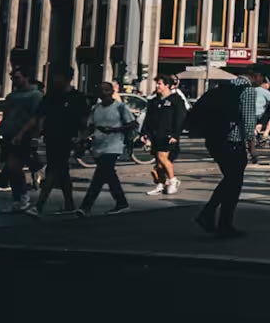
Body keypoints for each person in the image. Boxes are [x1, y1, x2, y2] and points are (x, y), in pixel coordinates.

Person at [196, 75, 256, 237]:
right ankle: (220, 221)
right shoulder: (248, 91)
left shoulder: (221, 89)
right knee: (234, 182)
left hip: (214, 140)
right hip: (233, 142)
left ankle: (212, 216)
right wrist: (252, 147)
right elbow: (248, 121)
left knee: (230, 179)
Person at [24, 67, 88, 217]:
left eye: (58, 77)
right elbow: (40, 116)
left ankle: (39, 206)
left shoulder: (77, 97)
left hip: (67, 138)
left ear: (67, 78)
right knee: (63, 171)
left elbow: (84, 120)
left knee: (52, 169)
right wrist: (35, 136)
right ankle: (69, 204)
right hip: (50, 137)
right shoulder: (51, 96)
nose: (54, 80)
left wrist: (82, 138)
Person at [76, 80, 136, 217]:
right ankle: (121, 202)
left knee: (100, 175)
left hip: (114, 145)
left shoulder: (120, 107)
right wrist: (82, 139)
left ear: (112, 92)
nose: (103, 93)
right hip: (99, 145)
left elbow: (132, 124)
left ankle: (86, 206)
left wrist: (115, 129)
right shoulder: (96, 108)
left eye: (106, 90)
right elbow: (91, 126)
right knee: (108, 175)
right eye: (101, 90)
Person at [0, 69, 45, 211]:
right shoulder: (11, 96)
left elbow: (38, 117)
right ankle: (20, 196)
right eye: (12, 78)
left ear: (26, 77)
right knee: (12, 168)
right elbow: (6, 116)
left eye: (17, 78)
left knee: (13, 166)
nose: (14, 81)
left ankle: (22, 197)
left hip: (24, 136)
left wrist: (35, 136)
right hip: (9, 134)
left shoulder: (35, 95)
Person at [142, 75, 188, 195]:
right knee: (158, 163)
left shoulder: (176, 100)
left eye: (160, 84)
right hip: (155, 134)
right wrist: (145, 133)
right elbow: (148, 118)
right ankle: (161, 184)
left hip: (168, 135)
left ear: (167, 85)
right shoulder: (154, 101)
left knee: (162, 157)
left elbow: (180, 119)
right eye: (157, 84)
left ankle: (173, 180)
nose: (157, 86)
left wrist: (175, 135)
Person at [241, 72, 270, 166]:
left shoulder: (249, 90)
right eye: (268, 84)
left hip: (249, 114)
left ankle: (253, 148)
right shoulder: (264, 91)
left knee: (250, 135)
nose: (268, 86)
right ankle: (261, 135)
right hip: (260, 114)